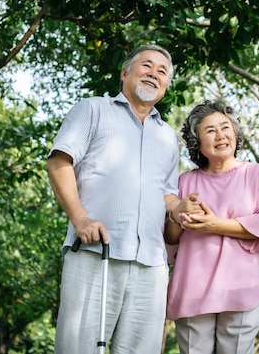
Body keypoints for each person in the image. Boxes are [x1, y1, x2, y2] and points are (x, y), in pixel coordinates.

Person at [47, 45, 196, 354]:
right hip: (94, 253)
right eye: (147, 66)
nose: (154, 74)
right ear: (125, 72)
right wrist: (80, 218)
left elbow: (166, 195)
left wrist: (180, 208)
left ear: (166, 86)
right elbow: (59, 163)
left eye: (162, 71)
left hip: (151, 264)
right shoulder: (92, 109)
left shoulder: (168, 136)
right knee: (79, 349)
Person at [165, 99, 259, 354]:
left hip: (241, 287)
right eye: (210, 130)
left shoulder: (254, 173)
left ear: (235, 133)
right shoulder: (185, 181)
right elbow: (171, 239)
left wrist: (215, 225)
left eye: (225, 127)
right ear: (197, 141)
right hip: (192, 287)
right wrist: (177, 216)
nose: (220, 135)